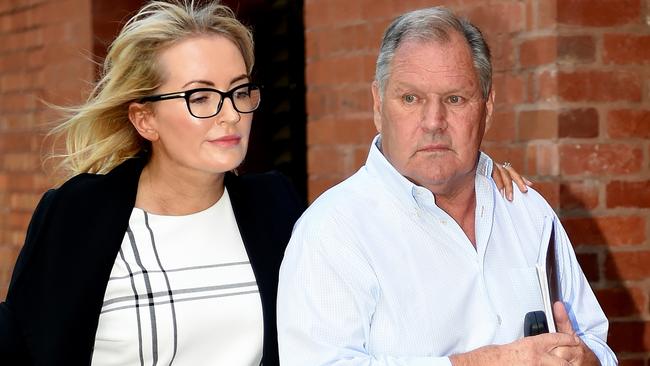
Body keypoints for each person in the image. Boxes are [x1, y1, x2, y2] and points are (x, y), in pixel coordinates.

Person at [0, 1, 527, 365]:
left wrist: (471, 173)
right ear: (145, 120)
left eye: (238, 91)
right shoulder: (77, 216)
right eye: (199, 97)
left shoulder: (275, 210)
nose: (229, 115)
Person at [277, 6, 617, 366]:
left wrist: (584, 358)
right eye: (411, 98)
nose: (434, 121)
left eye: (455, 99)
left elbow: (597, 341)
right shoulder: (332, 232)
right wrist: (487, 362)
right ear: (378, 104)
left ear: (487, 108)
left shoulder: (527, 211)